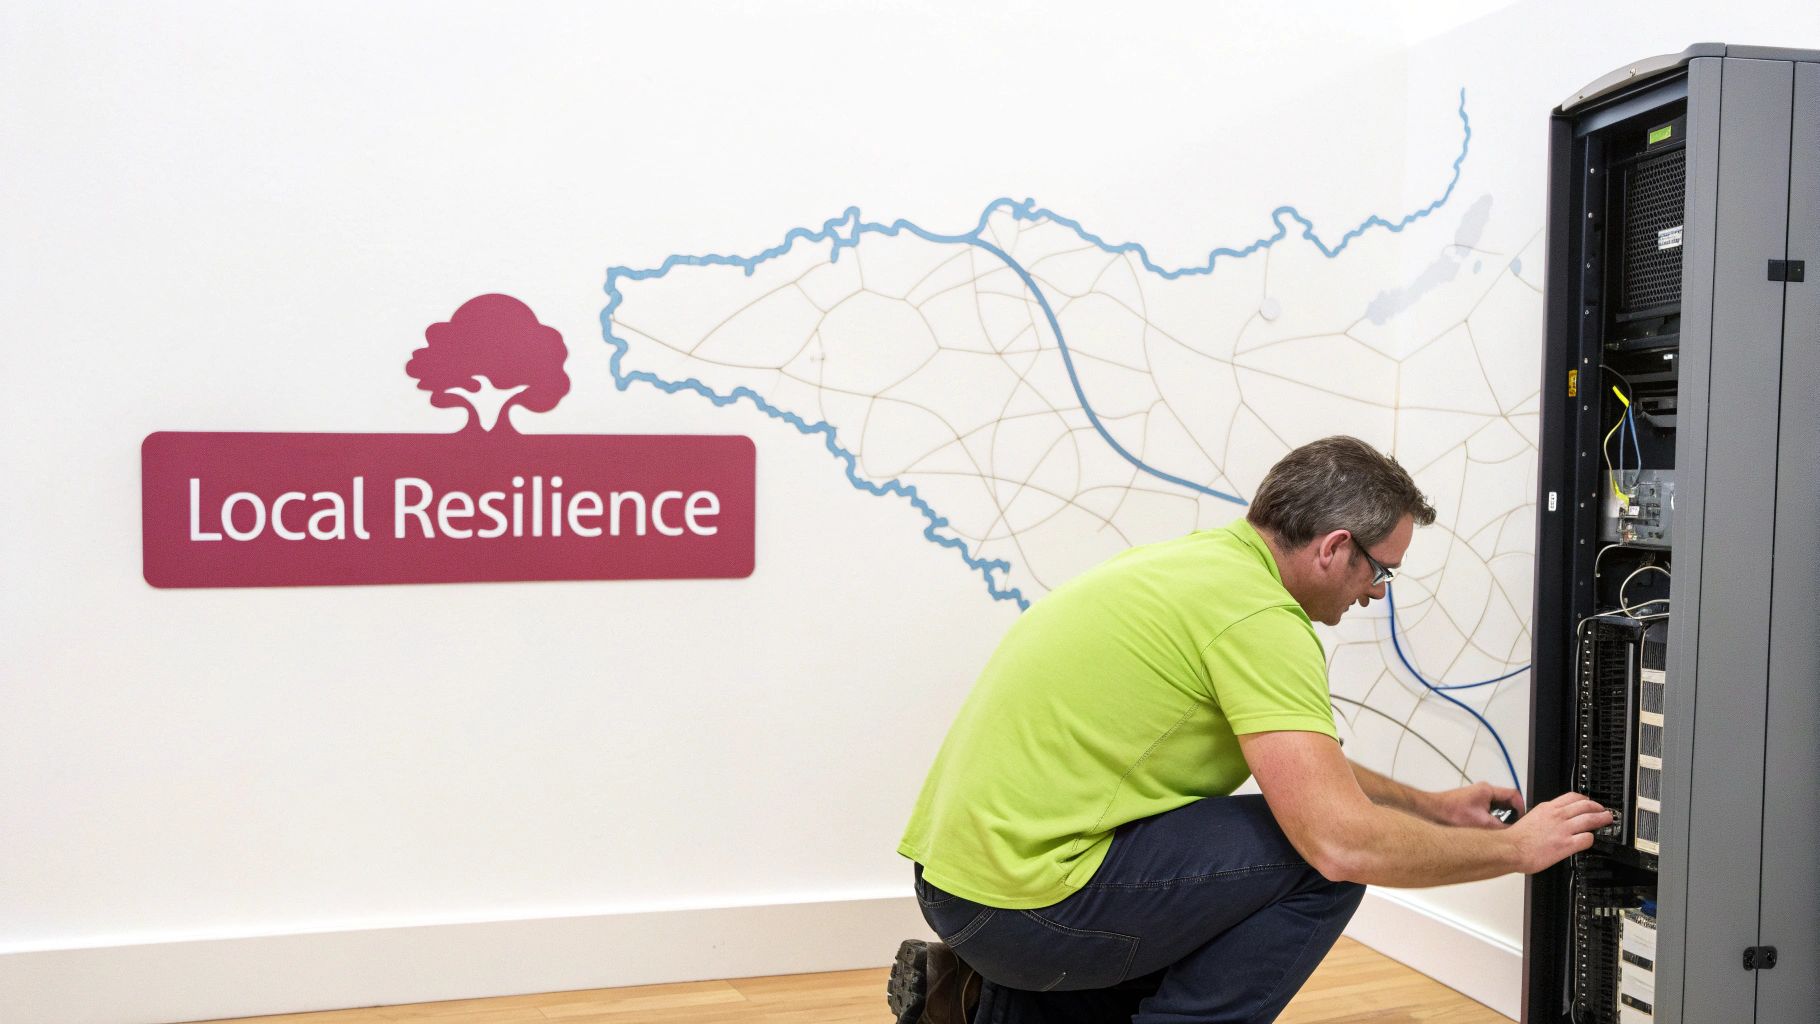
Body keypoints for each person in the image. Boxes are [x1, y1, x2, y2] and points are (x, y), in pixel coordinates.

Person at [888, 436, 1611, 1024]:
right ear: (1334, 547)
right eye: (1382, 572)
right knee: (1318, 861)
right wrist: (1519, 849)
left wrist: (1426, 806)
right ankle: (1011, 990)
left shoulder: (1202, 567)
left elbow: (1304, 767)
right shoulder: (1261, 620)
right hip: (1025, 907)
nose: (1375, 593)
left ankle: (985, 1005)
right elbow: (1338, 839)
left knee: (1287, 836)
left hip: (959, 884)